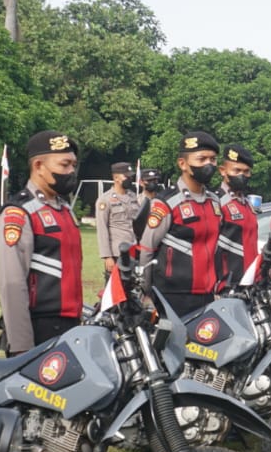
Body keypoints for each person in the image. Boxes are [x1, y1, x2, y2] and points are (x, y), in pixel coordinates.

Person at [0, 131, 84, 354]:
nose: (71, 171)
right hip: (39, 328)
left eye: (73, 165)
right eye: (64, 165)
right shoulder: (19, 213)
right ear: (38, 166)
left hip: (70, 324)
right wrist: (21, 346)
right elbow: (12, 285)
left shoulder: (63, 209)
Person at [140, 131, 226, 317]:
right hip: (171, 296)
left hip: (207, 295)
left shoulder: (215, 202)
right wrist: (146, 292)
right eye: (202, 159)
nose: (208, 164)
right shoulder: (166, 203)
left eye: (213, 159)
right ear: (183, 164)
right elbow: (146, 249)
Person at [216, 143, 259, 286]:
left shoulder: (247, 203)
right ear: (223, 171)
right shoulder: (217, 202)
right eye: (237, 170)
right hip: (226, 283)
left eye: (246, 171)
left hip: (249, 280)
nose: (242, 175)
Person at [95, 161, 139, 273]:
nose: (129, 179)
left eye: (130, 176)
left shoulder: (133, 197)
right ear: (116, 178)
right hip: (116, 252)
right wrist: (107, 256)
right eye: (126, 176)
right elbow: (102, 228)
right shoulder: (105, 199)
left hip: (133, 249)